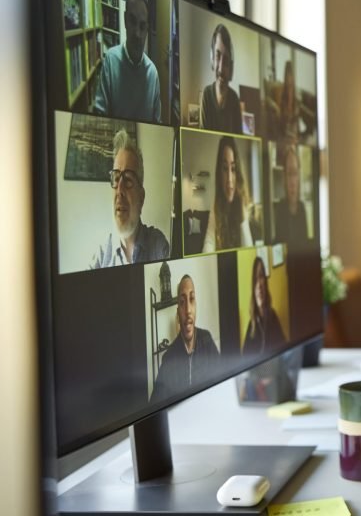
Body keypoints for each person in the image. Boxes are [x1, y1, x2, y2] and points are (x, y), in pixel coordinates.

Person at [89, 128, 169, 268]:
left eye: (128, 179)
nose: (120, 190)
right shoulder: (100, 256)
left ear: (141, 197)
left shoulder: (158, 245)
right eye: (116, 177)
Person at [93, 0, 161, 123]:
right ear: (124, 20)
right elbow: (98, 118)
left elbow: (158, 125)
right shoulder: (110, 62)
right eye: (132, 21)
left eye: (142, 26)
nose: (137, 33)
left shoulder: (153, 74)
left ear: (147, 29)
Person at [151, 275, 220, 403]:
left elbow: (222, 386)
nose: (188, 310)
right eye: (182, 302)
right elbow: (154, 406)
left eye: (192, 299)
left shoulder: (207, 340)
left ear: (196, 306)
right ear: (178, 312)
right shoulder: (169, 358)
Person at [202, 136, 253, 252]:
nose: (229, 179)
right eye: (225, 168)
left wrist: (243, 218)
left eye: (233, 169)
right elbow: (208, 242)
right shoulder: (216, 207)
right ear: (219, 173)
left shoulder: (247, 208)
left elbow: (251, 255)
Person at [199, 23, 241, 134]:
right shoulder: (206, 94)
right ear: (212, 58)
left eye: (226, 59)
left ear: (231, 65)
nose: (221, 68)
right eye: (218, 56)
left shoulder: (234, 99)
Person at [242, 256, 285, 356]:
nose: (259, 285)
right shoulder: (251, 325)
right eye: (255, 279)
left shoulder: (273, 317)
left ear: (266, 283)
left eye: (261, 276)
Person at [272, 143, 309, 245]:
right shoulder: (280, 209)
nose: (292, 181)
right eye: (289, 174)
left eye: (295, 174)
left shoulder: (302, 208)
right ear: (284, 178)